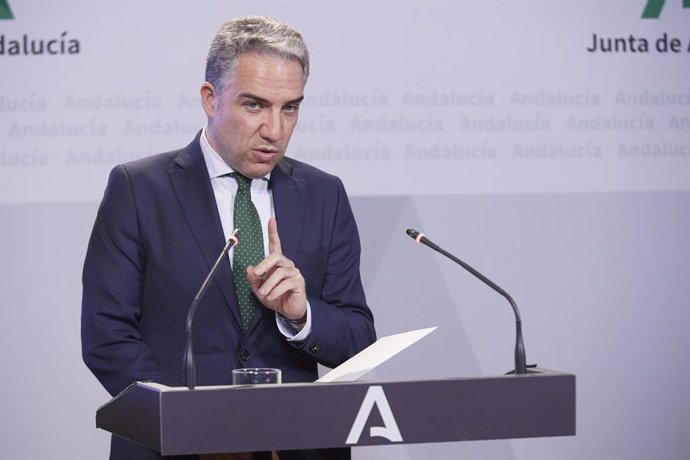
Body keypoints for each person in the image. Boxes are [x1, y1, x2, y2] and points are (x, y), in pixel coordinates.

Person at [81, 16, 376, 460]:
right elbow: (107, 334)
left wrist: (302, 317)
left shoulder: (323, 193)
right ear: (210, 98)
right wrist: (186, 420)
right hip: (175, 447)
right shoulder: (139, 189)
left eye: (290, 107)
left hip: (297, 446)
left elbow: (358, 338)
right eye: (255, 105)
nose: (275, 130)